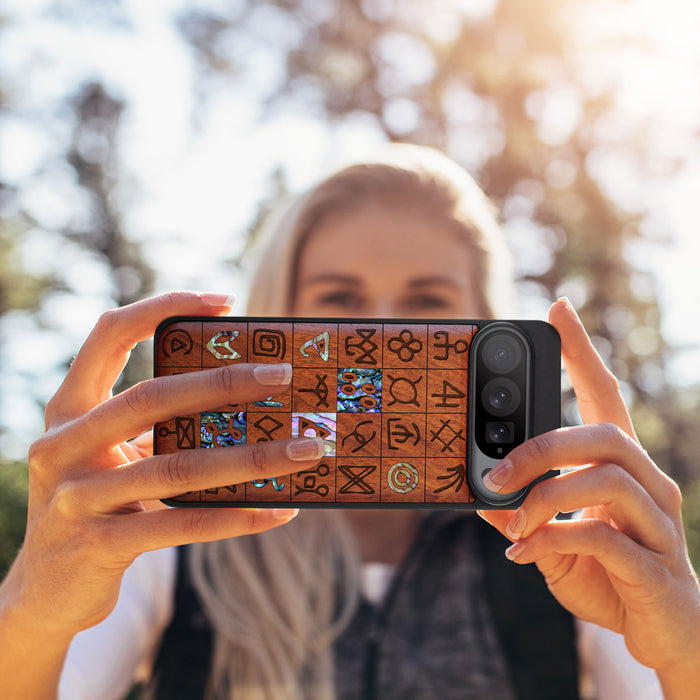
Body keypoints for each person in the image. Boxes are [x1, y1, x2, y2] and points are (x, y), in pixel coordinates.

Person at [0, 145, 698, 700]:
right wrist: (34, 607)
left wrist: (685, 649)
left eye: (427, 303)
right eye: (339, 299)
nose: (382, 331)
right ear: (279, 315)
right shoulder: (171, 534)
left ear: (486, 325)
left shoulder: (567, 543)